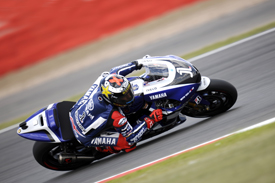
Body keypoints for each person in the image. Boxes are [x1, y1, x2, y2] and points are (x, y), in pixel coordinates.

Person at [69, 61, 163, 156]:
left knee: (104, 74)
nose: (129, 97)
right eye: (123, 97)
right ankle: (102, 148)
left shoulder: (104, 83)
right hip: (83, 135)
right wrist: (150, 119)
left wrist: (136, 64)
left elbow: (115, 71)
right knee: (129, 145)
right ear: (112, 98)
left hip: (74, 112)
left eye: (128, 93)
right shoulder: (115, 116)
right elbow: (132, 137)